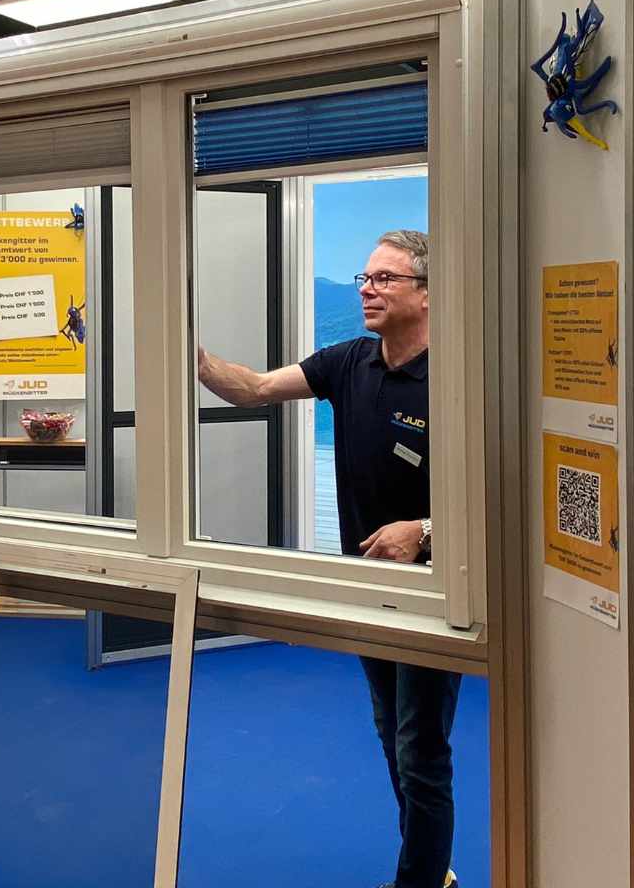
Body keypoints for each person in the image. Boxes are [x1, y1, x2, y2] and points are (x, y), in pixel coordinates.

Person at [197, 228, 461, 888]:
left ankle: (421, 881)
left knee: (421, 748)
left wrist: (425, 529)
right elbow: (254, 388)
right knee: (392, 734)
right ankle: (434, 869)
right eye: (365, 278)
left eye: (385, 279)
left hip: (433, 596)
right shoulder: (348, 363)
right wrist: (195, 359)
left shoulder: (456, 379)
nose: (368, 290)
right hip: (364, 590)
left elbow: (497, 494)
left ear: (428, 294)